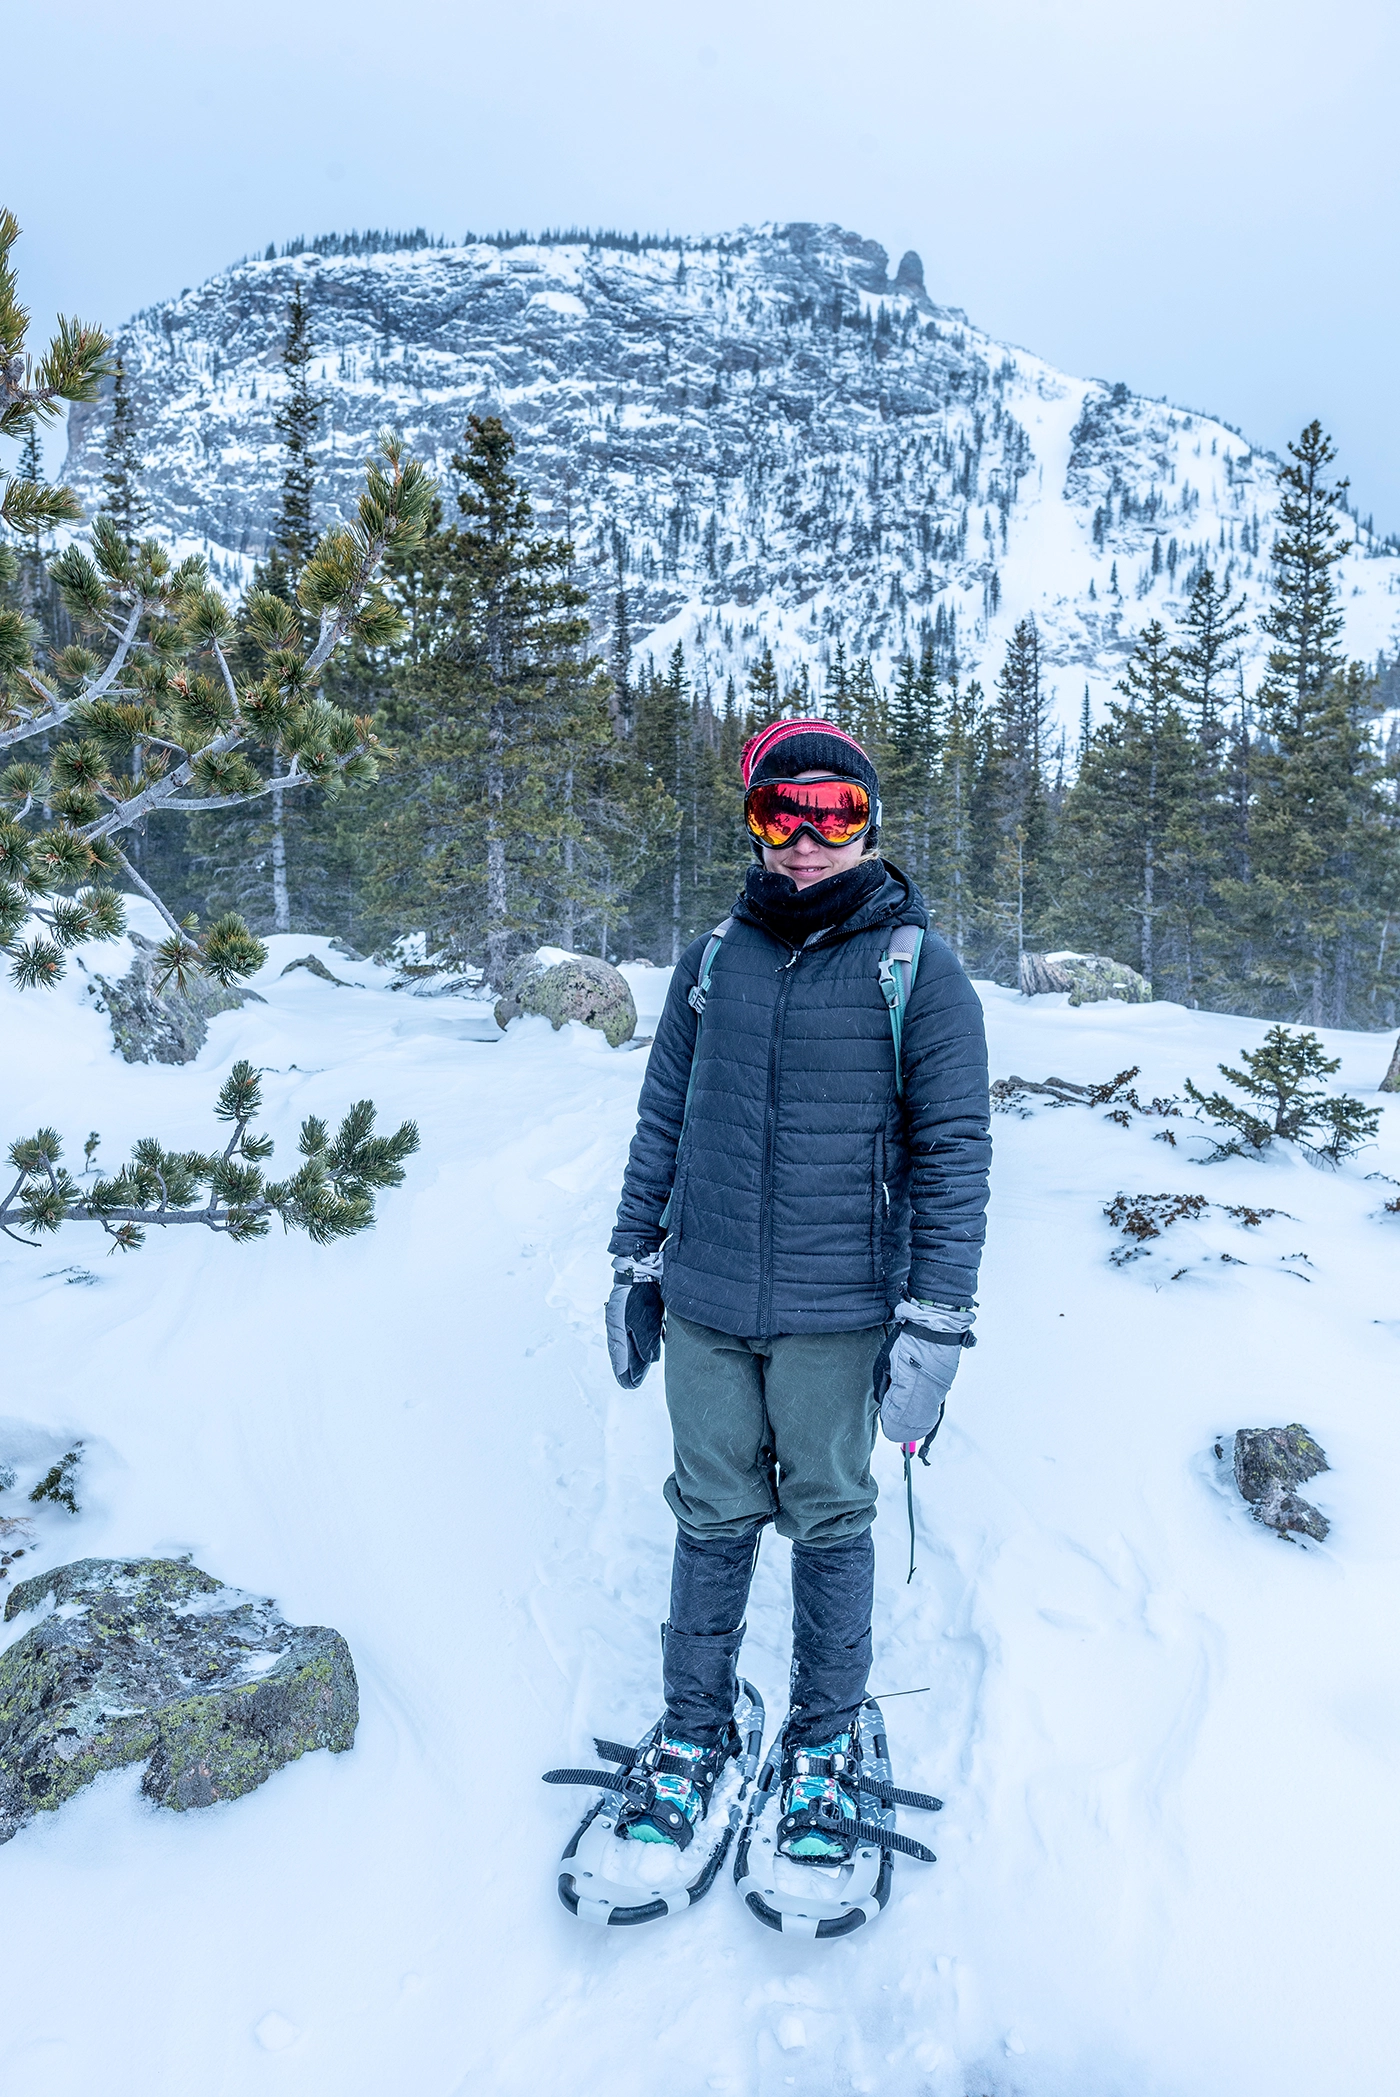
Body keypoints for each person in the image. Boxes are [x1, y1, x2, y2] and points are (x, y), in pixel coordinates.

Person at [605, 717, 990, 1861]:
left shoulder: (915, 969)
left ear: (869, 825)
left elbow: (953, 1152)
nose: (807, 839)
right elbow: (661, 1123)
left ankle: (821, 1741)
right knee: (710, 1511)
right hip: (709, 1304)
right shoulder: (713, 959)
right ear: (754, 824)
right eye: (782, 814)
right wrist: (634, 1259)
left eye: (835, 815)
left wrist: (935, 1324)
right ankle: (693, 1730)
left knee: (828, 1518)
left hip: (837, 1310)